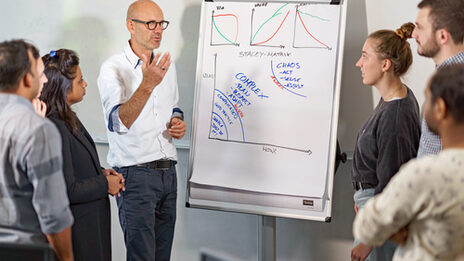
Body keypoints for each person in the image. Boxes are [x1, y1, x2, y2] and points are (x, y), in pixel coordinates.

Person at [97, 1, 187, 260]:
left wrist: (177, 121)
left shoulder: (166, 63)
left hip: (168, 174)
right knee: (142, 257)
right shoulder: (112, 68)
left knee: (162, 256)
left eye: (161, 23)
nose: (158, 30)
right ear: (131, 26)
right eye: (150, 24)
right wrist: (147, 85)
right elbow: (117, 123)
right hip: (135, 176)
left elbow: (174, 106)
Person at [353, 63, 464, 261]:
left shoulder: (424, 174)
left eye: (428, 98)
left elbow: (368, 225)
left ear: (440, 109)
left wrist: (399, 226)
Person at [40, 49, 125, 261]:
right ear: (63, 87)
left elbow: (74, 166)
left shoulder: (68, 118)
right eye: (80, 80)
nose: (85, 84)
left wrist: (102, 172)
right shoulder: (54, 126)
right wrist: (106, 185)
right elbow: (67, 189)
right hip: (78, 234)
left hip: (90, 227)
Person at [350, 23, 421, 261]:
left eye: (364, 57)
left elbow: (392, 183)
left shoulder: (396, 115)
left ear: (385, 64)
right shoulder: (395, 98)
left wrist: (369, 238)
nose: (359, 64)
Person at [0, 39, 74, 261]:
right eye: (41, 73)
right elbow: (54, 215)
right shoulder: (38, 129)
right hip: (24, 252)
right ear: (25, 78)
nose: (45, 80)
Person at [412, 0, 464, 158]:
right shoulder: (442, 77)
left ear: (442, 36)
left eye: (419, 27)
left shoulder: (457, 86)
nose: (413, 34)